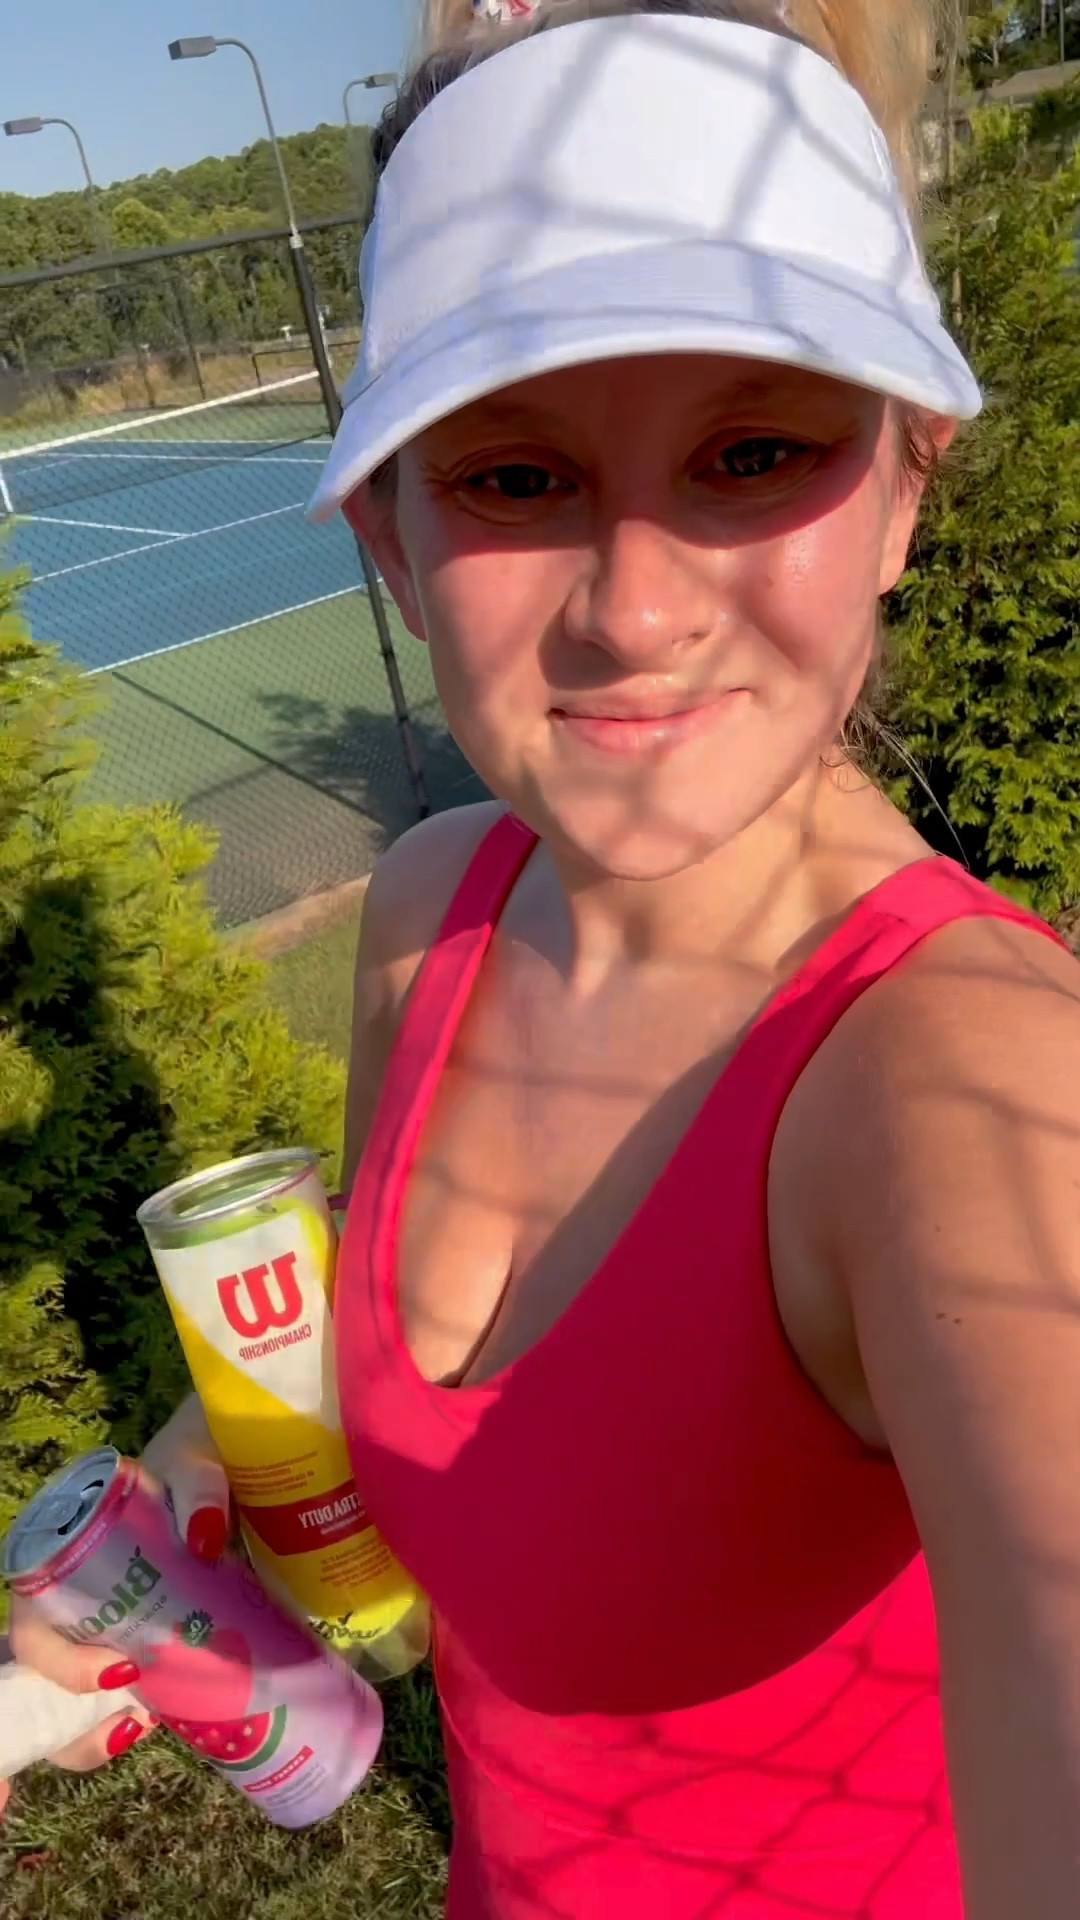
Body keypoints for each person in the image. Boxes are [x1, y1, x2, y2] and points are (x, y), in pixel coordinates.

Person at [9, 1, 1080, 1913]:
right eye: (515, 480)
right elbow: (409, 1361)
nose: (641, 605)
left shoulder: (964, 1083)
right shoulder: (432, 914)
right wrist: (190, 1485)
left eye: (756, 452)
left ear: (910, 486)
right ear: (397, 548)